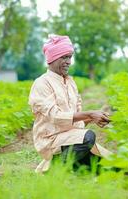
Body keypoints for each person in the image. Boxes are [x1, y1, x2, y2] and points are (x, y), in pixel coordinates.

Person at [28, 34, 112, 173]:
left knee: (110, 166)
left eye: (70, 57)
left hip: (72, 138)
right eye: (64, 57)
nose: (68, 62)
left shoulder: (70, 83)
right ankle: (55, 168)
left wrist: (92, 118)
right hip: (52, 140)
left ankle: (72, 167)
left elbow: (76, 120)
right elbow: (56, 116)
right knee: (88, 137)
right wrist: (90, 113)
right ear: (52, 59)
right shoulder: (41, 83)